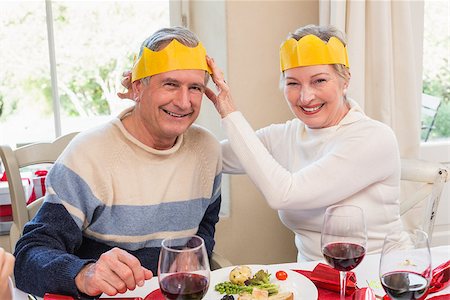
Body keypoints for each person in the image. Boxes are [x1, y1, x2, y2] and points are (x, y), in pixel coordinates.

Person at [14, 26, 222, 299]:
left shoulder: (208, 149)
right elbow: (29, 257)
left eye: (194, 87)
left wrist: (191, 260)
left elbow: (204, 229)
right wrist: (84, 274)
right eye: (170, 84)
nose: (184, 102)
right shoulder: (89, 154)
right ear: (138, 87)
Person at [204, 24, 403, 262]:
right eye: (293, 83)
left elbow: (284, 194)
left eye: (319, 81)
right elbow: (210, 155)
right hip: (311, 279)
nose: (305, 96)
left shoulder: (373, 138)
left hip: (379, 277)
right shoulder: (287, 135)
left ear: (345, 80)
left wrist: (228, 111)